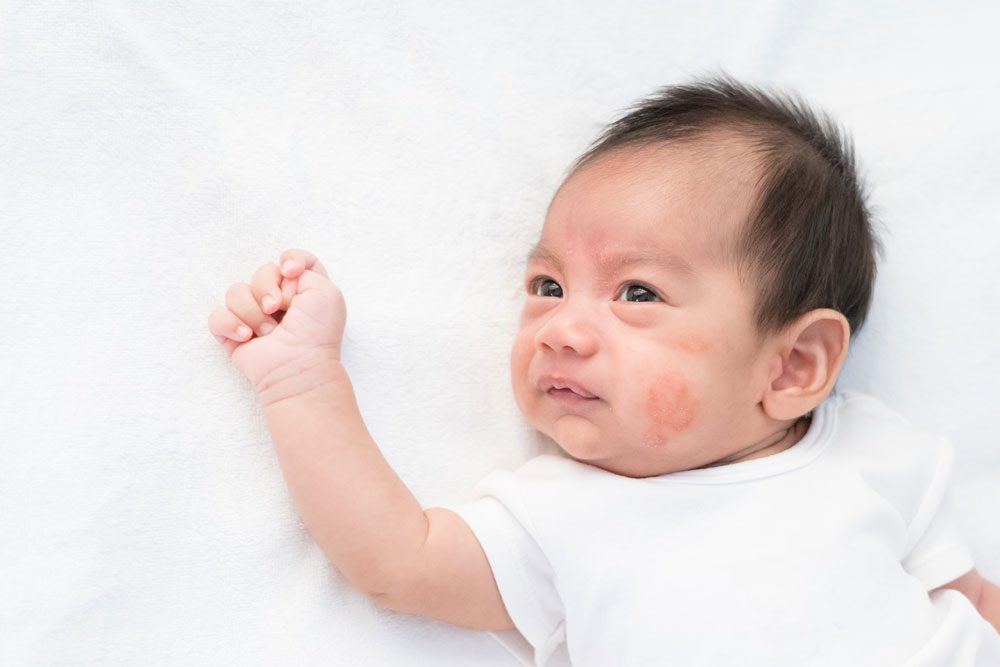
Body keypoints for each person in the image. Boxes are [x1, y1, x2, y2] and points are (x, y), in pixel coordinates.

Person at [208, 75, 1000, 665]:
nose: (560, 329)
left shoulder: (874, 450)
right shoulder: (562, 517)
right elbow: (395, 561)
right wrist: (302, 382)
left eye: (637, 291)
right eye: (546, 286)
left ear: (793, 364)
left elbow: (971, 601)